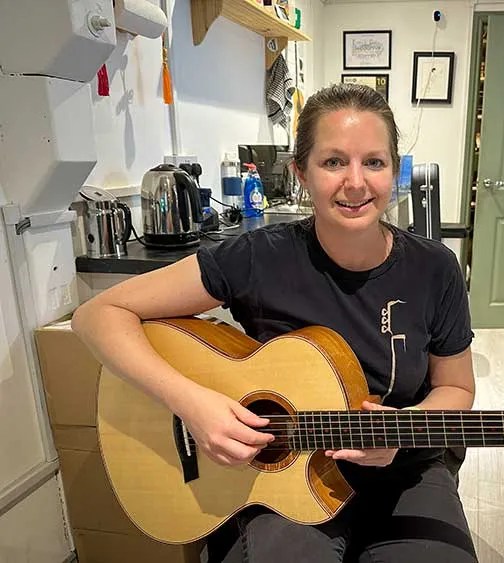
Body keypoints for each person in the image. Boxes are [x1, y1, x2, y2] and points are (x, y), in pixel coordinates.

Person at [71, 83, 478, 563]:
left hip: (405, 470)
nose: (355, 182)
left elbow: (458, 390)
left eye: (374, 162)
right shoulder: (260, 256)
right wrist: (193, 404)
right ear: (300, 174)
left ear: (394, 172)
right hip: (281, 474)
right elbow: (96, 315)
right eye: (332, 162)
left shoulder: (434, 268)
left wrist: (402, 431)